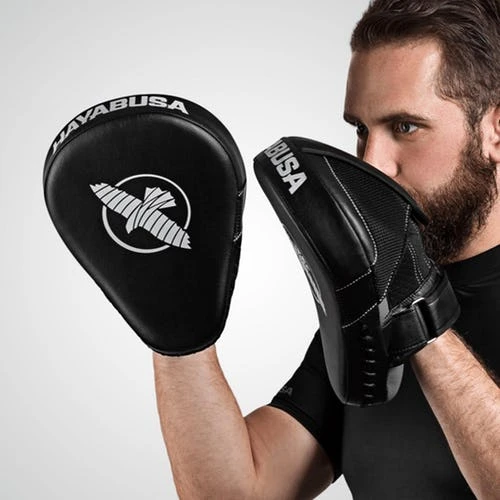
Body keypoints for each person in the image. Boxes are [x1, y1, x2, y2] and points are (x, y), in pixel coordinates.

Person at [153, 1, 500, 498]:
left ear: (494, 130)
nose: (373, 163)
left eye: (405, 127)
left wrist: (419, 316)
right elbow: (243, 493)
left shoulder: (395, 290)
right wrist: (178, 329)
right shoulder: (373, 299)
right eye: (361, 130)